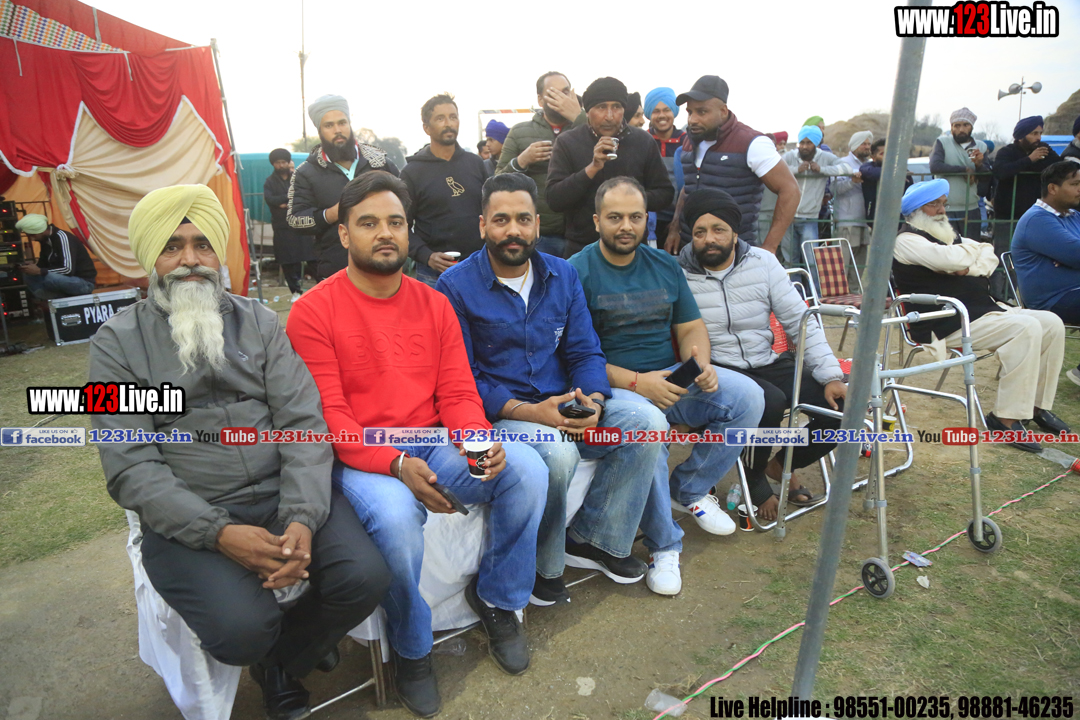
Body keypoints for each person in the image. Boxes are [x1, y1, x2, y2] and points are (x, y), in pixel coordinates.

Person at [89, 185, 390, 720]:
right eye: (172, 247)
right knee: (240, 630)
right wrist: (219, 533)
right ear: (150, 257)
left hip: (280, 493)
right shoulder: (115, 342)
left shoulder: (260, 322)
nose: (190, 261)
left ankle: (282, 662)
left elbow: (302, 422)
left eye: (203, 245)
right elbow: (130, 463)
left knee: (364, 578)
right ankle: (275, 653)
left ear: (219, 253)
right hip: (190, 512)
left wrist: (301, 517)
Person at [286, 171, 547, 717]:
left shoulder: (433, 303)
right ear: (344, 234)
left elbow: (457, 392)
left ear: (409, 231)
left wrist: (476, 442)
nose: (385, 233)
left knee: (525, 470)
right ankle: (411, 648)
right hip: (360, 454)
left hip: (430, 441)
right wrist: (395, 462)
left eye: (396, 223)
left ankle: (499, 602)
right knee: (397, 518)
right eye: (369, 223)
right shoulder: (312, 311)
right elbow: (332, 420)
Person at [437, 173, 677, 595]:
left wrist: (594, 401)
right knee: (558, 451)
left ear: (537, 224)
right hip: (505, 412)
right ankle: (541, 568)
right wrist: (531, 412)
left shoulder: (562, 275)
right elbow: (463, 377)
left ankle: (594, 539)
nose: (513, 230)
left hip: (566, 400)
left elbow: (585, 352)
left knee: (648, 422)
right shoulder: (455, 286)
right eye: (501, 220)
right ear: (483, 225)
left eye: (523, 219)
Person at [569, 177, 765, 561]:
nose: (626, 226)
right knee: (650, 427)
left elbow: (690, 327)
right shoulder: (575, 272)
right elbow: (573, 357)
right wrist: (638, 383)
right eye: (615, 217)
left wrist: (699, 364)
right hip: (615, 388)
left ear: (648, 219)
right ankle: (664, 546)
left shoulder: (664, 264)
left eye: (635, 217)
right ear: (596, 221)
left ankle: (688, 488)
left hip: (672, 377)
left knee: (748, 397)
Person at [677, 188, 846, 520]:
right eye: (699, 232)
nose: (709, 239)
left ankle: (780, 464)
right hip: (719, 368)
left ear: (734, 232)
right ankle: (753, 477)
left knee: (841, 411)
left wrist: (830, 376)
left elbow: (801, 323)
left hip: (767, 360)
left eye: (718, 229)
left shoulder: (763, 263)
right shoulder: (678, 273)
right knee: (769, 401)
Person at [892, 179, 1068, 453]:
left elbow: (988, 253)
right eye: (933, 205)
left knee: (1052, 323)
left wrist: (968, 265)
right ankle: (1005, 419)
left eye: (943, 204)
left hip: (978, 311)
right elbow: (955, 261)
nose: (941, 210)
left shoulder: (947, 236)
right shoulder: (906, 241)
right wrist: (964, 258)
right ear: (914, 211)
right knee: (1025, 327)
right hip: (942, 323)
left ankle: (1035, 407)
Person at [665, 75, 799, 255]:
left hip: (735, 252)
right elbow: (689, 186)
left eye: (702, 112)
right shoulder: (691, 141)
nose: (693, 119)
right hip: (692, 250)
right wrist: (675, 228)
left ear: (723, 111)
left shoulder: (753, 143)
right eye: (690, 112)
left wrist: (770, 246)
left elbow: (790, 190)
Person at [546, 77, 673, 257]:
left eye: (616, 107)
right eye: (601, 107)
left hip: (633, 249)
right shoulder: (568, 142)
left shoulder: (643, 141)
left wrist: (630, 200)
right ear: (588, 111)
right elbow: (554, 199)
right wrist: (592, 168)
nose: (609, 116)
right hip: (583, 250)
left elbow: (665, 193)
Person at [287, 94, 400, 281]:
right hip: (335, 271)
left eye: (342, 123)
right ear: (320, 130)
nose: (337, 130)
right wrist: (332, 213)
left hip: (385, 267)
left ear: (349, 124)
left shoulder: (380, 163)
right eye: (329, 125)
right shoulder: (306, 172)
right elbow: (295, 220)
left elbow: (405, 206)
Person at [401, 93, 491, 288]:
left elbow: (491, 212)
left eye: (453, 117)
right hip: (433, 275)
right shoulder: (412, 173)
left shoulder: (475, 164)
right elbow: (399, 225)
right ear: (426, 128)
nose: (448, 123)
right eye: (440, 118)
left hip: (479, 269)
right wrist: (426, 256)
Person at [496, 71, 587, 259]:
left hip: (581, 233)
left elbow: (607, 158)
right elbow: (495, 183)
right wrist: (522, 161)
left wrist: (579, 117)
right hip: (540, 235)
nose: (561, 98)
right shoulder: (520, 132)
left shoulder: (586, 127)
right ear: (540, 99)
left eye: (565, 92)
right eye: (554, 93)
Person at [1009, 162, 1080, 383]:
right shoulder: (1037, 219)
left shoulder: (1072, 216)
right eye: (1075, 184)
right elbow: (1077, 254)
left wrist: (1067, 259)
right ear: (1053, 188)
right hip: (1052, 299)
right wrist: (1070, 258)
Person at [779, 126, 853, 266]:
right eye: (802, 143)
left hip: (810, 218)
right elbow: (775, 168)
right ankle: (794, 282)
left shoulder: (825, 157)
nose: (804, 146)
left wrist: (822, 170)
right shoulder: (790, 156)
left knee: (812, 260)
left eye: (809, 143)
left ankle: (812, 282)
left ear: (816, 144)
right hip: (788, 217)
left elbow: (847, 168)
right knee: (790, 261)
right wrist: (796, 170)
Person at [992, 115, 1061, 254]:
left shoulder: (1044, 149)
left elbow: (1058, 167)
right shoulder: (1007, 152)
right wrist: (1029, 160)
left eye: (1040, 133)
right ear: (1021, 136)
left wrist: (1029, 165)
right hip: (1008, 215)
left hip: (1035, 215)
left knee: (1033, 255)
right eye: (1034, 134)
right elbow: (1000, 171)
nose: (1038, 138)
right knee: (1004, 254)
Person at [930, 108, 992, 237]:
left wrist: (979, 165)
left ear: (972, 127)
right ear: (951, 127)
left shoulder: (980, 146)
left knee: (970, 245)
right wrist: (964, 170)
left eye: (965, 125)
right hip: (945, 208)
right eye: (957, 126)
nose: (961, 129)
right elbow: (935, 166)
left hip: (971, 208)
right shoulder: (943, 142)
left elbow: (987, 177)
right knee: (946, 245)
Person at [265, 148, 315, 301]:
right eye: (278, 163)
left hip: (301, 225)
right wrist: (288, 198)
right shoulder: (270, 182)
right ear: (273, 164)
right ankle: (296, 291)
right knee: (287, 260)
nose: (281, 165)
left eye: (283, 162)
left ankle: (322, 287)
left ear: (288, 163)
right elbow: (270, 200)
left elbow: (305, 197)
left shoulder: (298, 178)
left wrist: (284, 203)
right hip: (282, 227)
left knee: (311, 258)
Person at [14, 214, 96, 299]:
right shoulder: (45, 241)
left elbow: (67, 269)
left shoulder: (63, 238)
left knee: (50, 277)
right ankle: (50, 300)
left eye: (32, 235)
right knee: (29, 276)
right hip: (62, 280)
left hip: (83, 282)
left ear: (41, 231)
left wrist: (40, 271)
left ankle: (57, 298)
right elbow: (43, 265)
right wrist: (32, 267)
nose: (32, 239)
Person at [644, 87, 687, 244]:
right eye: (656, 111)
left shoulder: (687, 142)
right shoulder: (642, 140)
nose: (662, 115)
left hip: (680, 219)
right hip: (646, 218)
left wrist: (678, 221)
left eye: (666, 110)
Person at [831, 131, 873, 272]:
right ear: (854, 145)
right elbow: (834, 188)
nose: (867, 147)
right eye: (863, 144)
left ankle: (855, 288)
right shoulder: (843, 163)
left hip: (864, 222)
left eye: (869, 144)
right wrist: (852, 181)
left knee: (858, 268)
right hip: (847, 221)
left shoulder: (870, 165)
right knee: (843, 266)